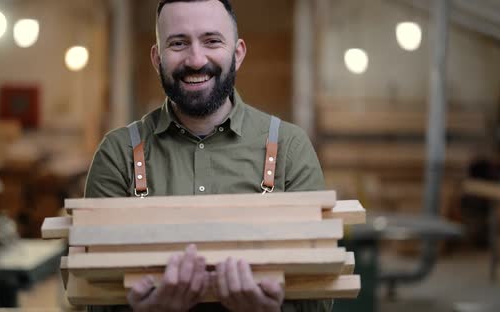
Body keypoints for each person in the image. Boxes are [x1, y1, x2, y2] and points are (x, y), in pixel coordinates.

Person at [84, 0, 331, 311]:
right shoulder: (117, 154)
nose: (196, 59)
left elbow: (319, 295)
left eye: (212, 41)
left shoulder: (289, 148)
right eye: (178, 43)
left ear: (237, 53)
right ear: (157, 57)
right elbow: (90, 293)